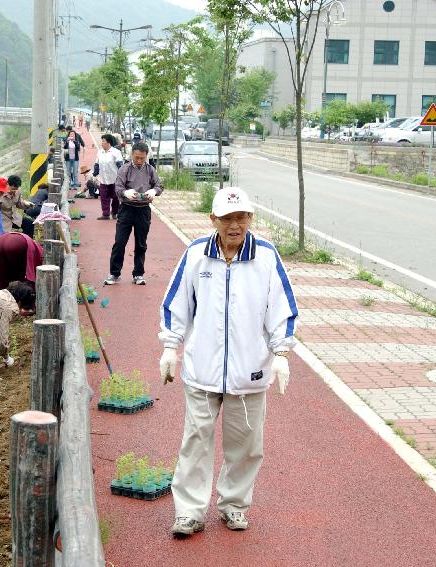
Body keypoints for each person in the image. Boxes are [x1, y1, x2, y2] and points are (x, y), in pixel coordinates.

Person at [158, 187, 298, 539]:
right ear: (213, 220)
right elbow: (176, 304)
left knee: (247, 446)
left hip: (249, 371)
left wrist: (281, 354)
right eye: (227, 218)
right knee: (195, 442)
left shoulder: (265, 257)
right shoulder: (196, 255)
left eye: (241, 218)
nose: (235, 225)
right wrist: (170, 347)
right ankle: (189, 512)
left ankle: (234, 505)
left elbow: (281, 308)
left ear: (251, 219)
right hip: (201, 370)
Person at [104, 142, 163, 286]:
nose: (139, 161)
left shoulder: (150, 170)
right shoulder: (125, 169)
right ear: (131, 155)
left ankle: (138, 273)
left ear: (146, 156)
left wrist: (153, 191)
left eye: (142, 158)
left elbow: (159, 185)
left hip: (143, 210)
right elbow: (118, 187)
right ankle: (114, 273)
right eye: (136, 158)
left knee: (141, 243)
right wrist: (126, 193)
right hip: (126, 209)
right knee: (119, 242)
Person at [93, 133, 124, 220]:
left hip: (115, 179)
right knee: (104, 197)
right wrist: (95, 174)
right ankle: (105, 214)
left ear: (108, 142)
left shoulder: (116, 152)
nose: (101, 143)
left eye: (103, 141)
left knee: (116, 197)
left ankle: (115, 212)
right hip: (103, 179)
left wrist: (123, 177)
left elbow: (120, 165)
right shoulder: (100, 152)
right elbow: (96, 164)